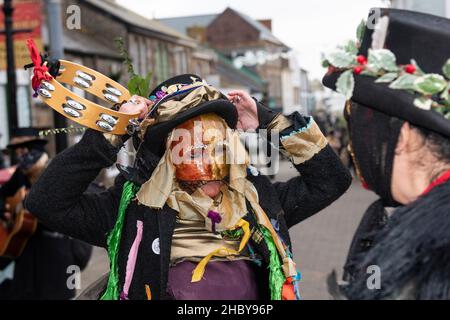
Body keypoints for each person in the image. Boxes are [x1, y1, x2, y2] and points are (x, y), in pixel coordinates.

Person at [25, 74, 352, 300]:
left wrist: (271, 122)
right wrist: (111, 133)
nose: (210, 160)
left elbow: (331, 181)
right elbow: (46, 202)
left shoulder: (258, 201)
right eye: (193, 150)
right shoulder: (131, 209)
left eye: (218, 146)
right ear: (169, 155)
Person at [323, 8, 450, 299]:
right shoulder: (395, 215)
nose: (356, 146)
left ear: (401, 136)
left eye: (366, 127)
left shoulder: (436, 253)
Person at [0, 128, 92, 300]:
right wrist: (6, 211)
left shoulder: (55, 169)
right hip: (28, 248)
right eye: (18, 149)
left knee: (60, 291)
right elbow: (4, 194)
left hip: (56, 247)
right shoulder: (21, 172)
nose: (21, 153)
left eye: (24, 147)